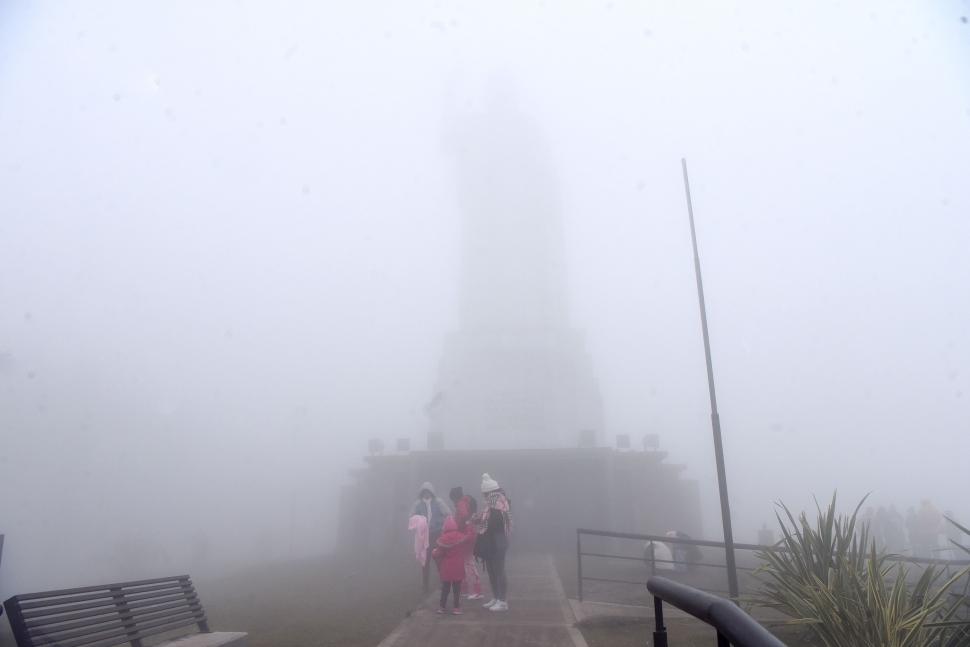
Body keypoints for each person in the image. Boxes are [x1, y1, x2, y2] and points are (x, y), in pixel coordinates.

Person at [473, 473, 512, 612]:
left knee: (499, 570)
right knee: (491, 570)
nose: (483, 496)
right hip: (491, 540)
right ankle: (496, 597)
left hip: (498, 540)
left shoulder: (500, 504)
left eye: (484, 493)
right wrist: (479, 520)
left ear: (488, 492)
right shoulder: (490, 505)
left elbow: (497, 524)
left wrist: (482, 522)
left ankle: (502, 601)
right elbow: (488, 522)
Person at [412, 482, 451, 593]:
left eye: (428, 491)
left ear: (432, 492)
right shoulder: (418, 504)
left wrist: (443, 526)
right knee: (425, 560)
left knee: (439, 558)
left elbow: (448, 514)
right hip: (424, 536)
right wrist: (418, 524)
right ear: (422, 493)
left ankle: (443, 582)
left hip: (437, 534)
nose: (426, 494)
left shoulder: (438, 502)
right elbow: (411, 517)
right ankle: (425, 586)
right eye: (424, 492)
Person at [432, 516, 472, 615]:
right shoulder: (461, 536)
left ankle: (442, 607)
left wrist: (434, 552)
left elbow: (438, 554)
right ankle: (456, 608)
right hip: (458, 567)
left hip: (446, 568)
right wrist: (469, 525)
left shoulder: (442, 539)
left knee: (445, 589)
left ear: (445, 527)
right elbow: (468, 541)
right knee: (457, 589)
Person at [449, 486, 483, 600]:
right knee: (466, 561)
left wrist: (458, 526)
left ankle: (475, 590)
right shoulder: (466, 501)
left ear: (455, 497)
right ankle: (468, 589)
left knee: (468, 562)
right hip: (470, 533)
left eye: (452, 499)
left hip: (466, 535)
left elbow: (464, 516)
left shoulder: (461, 503)